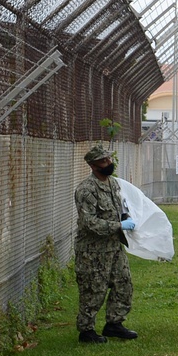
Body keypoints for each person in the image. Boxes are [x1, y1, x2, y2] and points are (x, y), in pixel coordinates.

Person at [74, 145, 138, 344]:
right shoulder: (87, 190)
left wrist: (125, 217)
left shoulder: (113, 185)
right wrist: (119, 225)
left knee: (124, 284)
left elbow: (119, 208)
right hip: (93, 251)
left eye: (109, 160)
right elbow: (89, 222)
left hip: (114, 247)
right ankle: (86, 330)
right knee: (93, 290)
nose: (109, 164)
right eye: (104, 161)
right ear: (93, 166)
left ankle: (114, 324)